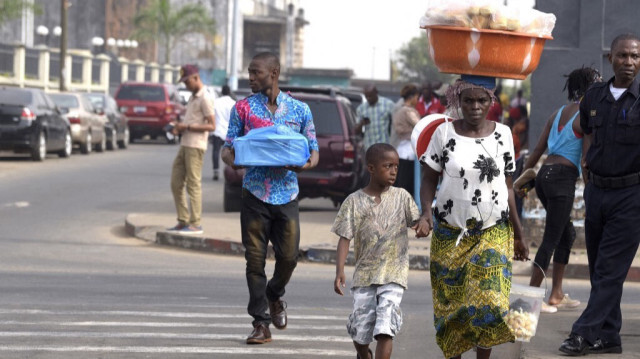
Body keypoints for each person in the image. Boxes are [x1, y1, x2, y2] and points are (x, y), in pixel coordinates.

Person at [415, 75, 529, 359]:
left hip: (493, 230)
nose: (475, 106)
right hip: (449, 232)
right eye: (468, 100)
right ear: (458, 101)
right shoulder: (443, 134)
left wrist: (519, 234)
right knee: (451, 306)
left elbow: (508, 187)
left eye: (482, 100)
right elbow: (429, 179)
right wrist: (426, 213)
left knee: (489, 304)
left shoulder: (503, 134)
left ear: (492, 101)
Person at [221, 52, 319, 345]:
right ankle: (260, 323)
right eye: (249, 72)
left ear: (273, 73)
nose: (250, 77)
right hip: (253, 193)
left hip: (287, 194)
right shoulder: (242, 108)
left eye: (256, 72)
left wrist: (304, 166)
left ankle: (275, 294)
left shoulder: (300, 110)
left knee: (289, 258)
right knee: (254, 261)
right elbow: (227, 147)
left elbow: (313, 150)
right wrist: (234, 161)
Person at [559, 33, 640, 356]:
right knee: (599, 268)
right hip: (597, 192)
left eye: (635, 56)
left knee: (610, 269)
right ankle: (609, 335)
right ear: (610, 58)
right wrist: (587, 168)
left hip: (632, 195)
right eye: (623, 56)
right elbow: (586, 133)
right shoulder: (594, 96)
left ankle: (582, 333)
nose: (629, 62)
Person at [516, 66, 601, 314]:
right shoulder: (585, 116)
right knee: (551, 239)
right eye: (597, 84)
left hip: (544, 177)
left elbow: (536, 151)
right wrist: (591, 193)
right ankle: (533, 299)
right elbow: (586, 159)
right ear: (588, 88)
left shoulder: (558, 113)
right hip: (562, 179)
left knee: (567, 235)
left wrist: (521, 179)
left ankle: (556, 294)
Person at [332, 143, 420, 359]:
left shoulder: (402, 197)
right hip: (364, 276)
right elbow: (345, 237)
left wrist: (424, 225)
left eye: (396, 167)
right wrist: (340, 270)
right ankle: (364, 354)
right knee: (360, 333)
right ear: (371, 168)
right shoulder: (354, 201)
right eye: (388, 166)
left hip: (394, 273)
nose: (393, 171)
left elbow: (417, 222)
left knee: (385, 328)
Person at [167, 64, 215, 234]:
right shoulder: (192, 97)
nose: (186, 86)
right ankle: (183, 220)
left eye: (187, 82)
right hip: (185, 144)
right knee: (176, 183)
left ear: (196, 78)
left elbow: (211, 125)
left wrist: (186, 126)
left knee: (193, 184)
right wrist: (178, 128)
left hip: (196, 146)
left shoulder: (205, 98)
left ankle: (195, 223)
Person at [390, 84, 421, 195]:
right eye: (417, 98)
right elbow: (420, 126)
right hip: (409, 152)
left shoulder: (399, 110)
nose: (417, 101)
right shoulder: (408, 111)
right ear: (412, 97)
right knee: (407, 185)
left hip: (401, 150)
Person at [354, 85, 395, 149]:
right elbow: (356, 131)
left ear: (376, 93)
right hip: (369, 146)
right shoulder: (361, 109)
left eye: (370, 96)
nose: (368, 98)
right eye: (366, 96)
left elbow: (396, 123)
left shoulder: (388, 104)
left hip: (384, 145)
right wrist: (362, 123)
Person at [209, 85, 236, 180]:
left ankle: (216, 171)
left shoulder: (216, 102)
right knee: (229, 153)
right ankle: (228, 170)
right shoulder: (233, 103)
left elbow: (212, 115)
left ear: (222, 92)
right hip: (228, 132)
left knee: (216, 151)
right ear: (229, 92)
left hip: (217, 130)